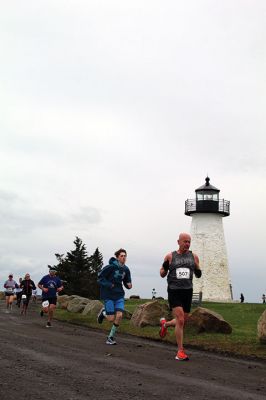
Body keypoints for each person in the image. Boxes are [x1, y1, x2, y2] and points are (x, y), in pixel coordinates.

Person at [159, 233, 202, 361]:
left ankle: (165, 324)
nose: (187, 244)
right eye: (185, 242)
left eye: (189, 242)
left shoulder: (194, 257)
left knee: (182, 321)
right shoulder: (170, 256)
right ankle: (180, 351)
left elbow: (198, 273)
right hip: (174, 291)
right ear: (178, 242)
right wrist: (165, 268)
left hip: (187, 291)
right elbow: (162, 273)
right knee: (181, 320)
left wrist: (198, 270)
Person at [97, 248, 132, 345]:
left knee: (120, 315)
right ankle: (103, 313)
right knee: (110, 319)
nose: (124, 258)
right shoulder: (110, 267)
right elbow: (100, 278)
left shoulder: (126, 269)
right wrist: (109, 284)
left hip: (119, 294)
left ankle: (110, 337)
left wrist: (128, 285)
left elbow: (126, 280)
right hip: (108, 294)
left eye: (125, 256)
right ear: (117, 257)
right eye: (121, 256)